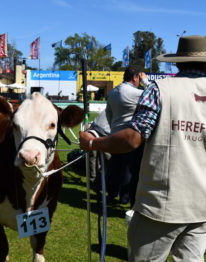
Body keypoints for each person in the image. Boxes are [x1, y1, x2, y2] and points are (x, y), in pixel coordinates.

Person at [80, 35, 206, 261]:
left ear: (177, 62)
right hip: (201, 207)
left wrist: (91, 143)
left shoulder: (160, 89)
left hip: (160, 205)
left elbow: (132, 139)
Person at [105, 67, 150, 206]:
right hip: (129, 135)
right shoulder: (137, 93)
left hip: (114, 134)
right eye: (139, 79)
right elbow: (154, 94)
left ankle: (111, 194)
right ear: (135, 77)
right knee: (130, 169)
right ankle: (125, 197)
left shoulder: (112, 92)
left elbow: (108, 114)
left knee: (115, 168)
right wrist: (146, 81)